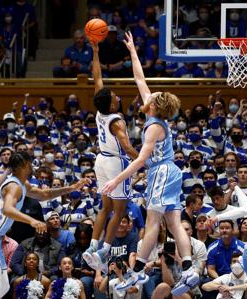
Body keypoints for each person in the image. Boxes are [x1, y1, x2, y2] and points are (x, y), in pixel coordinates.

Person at [102, 31, 199, 296]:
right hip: (169, 172)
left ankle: (137, 273)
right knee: (173, 221)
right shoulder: (153, 113)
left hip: (162, 171)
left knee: (154, 220)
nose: (149, 95)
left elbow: (142, 159)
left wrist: (116, 179)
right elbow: (139, 78)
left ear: (155, 106)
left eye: (153, 97)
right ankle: (189, 268)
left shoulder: (154, 127)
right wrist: (133, 50)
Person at [0, 152, 90, 299]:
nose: (32, 166)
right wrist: (32, 221)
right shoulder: (14, 186)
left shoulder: (21, 183)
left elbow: (43, 194)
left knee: (2, 286)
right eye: (30, 163)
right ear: (24, 165)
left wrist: (71, 188)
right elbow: (7, 209)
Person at [81, 35, 138, 273]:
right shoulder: (117, 120)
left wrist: (96, 52)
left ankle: (91, 246)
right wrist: (144, 158)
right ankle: (104, 250)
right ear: (112, 105)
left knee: (104, 208)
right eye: (114, 96)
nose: (116, 96)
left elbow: (97, 77)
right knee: (120, 210)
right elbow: (127, 148)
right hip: (115, 163)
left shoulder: (100, 108)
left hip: (100, 161)